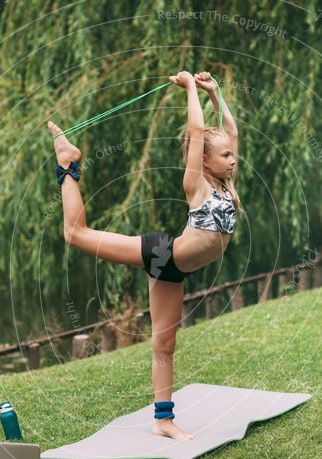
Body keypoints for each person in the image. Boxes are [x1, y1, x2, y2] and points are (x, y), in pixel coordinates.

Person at [47, 70, 241, 440]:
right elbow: (198, 133)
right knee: (75, 234)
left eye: (232, 155)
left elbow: (229, 129)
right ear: (203, 160)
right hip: (162, 253)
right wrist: (189, 90)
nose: (233, 159)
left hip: (175, 271)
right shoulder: (196, 185)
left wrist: (215, 92)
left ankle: (162, 420)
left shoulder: (225, 184)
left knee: (164, 343)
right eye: (225, 155)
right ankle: (67, 164)